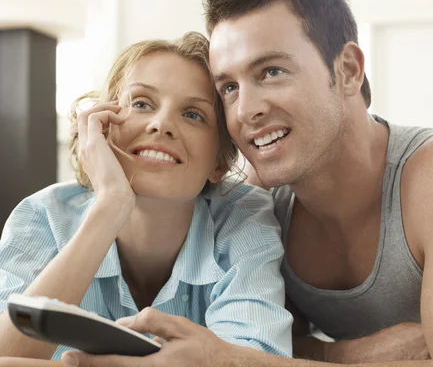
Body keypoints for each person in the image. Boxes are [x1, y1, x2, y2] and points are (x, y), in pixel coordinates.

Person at [59, 0, 433, 366]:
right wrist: (356, 354)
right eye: (228, 87)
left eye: (271, 71)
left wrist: (235, 360)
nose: (246, 111)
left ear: (348, 70)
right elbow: (259, 339)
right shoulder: (258, 206)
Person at [0, 31, 293, 364]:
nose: (162, 124)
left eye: (193, 114)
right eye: (141, 104)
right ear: (104, 128)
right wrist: (110, 206)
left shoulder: (245, 219)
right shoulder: (42, 215)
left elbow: (256, 358)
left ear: (219, 162)